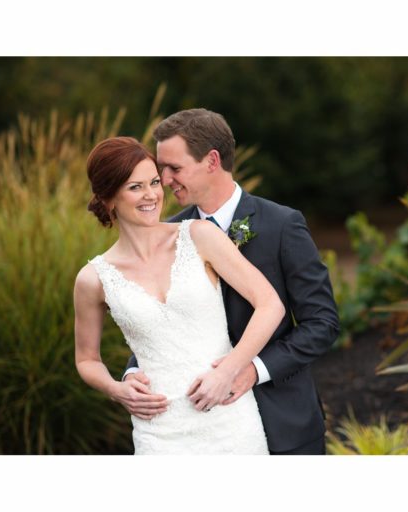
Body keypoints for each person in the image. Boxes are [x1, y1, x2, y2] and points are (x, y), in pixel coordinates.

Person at [122, 108, 340, 455]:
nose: (163, 180)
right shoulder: (169, 234)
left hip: (282, 423)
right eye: (160, 168)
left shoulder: (282, 225)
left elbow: (322, 323)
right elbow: (159, 319)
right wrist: (133, 371)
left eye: (174, 168)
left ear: (211, 161)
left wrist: (252, 370)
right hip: (197, 428)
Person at [73, 137, 286, 454]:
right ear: (108, 198)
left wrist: (228, 371)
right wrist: (117, 390)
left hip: (230, 419)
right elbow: (87, 359)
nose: (152, 195)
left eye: (155, 182)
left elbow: (270, 304)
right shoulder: (93, 278)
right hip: (159, 432)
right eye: (136, 187)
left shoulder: (199, 235)